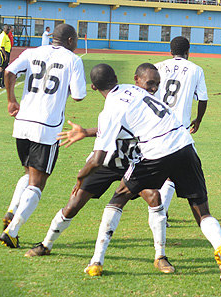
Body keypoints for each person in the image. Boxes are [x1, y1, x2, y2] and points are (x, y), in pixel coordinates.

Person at [72, 63, 221, 290]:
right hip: (185, 144)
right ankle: (220, 249)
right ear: (118, 78)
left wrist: (80, 178)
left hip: (157, 151)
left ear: (93, 87)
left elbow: (98, 159)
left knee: (118, 197)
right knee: (202, 211)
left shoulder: (109, 108)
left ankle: (96, 261)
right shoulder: (135, 89)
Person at [24, 63, 175, 274]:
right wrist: (86, 132)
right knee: (73, 205)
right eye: (150, 83)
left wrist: (85, 142)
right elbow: (111, 130)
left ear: (93, 87)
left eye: (156, 84)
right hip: (107, 162)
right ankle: (46, 244)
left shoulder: (135, 96)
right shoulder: (116, 104)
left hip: (132, 162)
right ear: (131, 78)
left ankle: (160, 256)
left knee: (154, 198)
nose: (153, 89)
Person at [0, 23, 87, 249]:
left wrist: (11, 100)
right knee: (38, 183)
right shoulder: (73, 60)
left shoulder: (32, 52)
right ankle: (13, 230)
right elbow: (78, 96)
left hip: (23, 123)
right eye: (75, 40)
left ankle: (11, 210)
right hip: (47, 127)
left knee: (28, 173)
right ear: (69, 41)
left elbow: (9, 71)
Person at [154, 36, 208, 222]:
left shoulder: (158, 66)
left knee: (164, 169)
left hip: (156, 126)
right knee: (178, 172)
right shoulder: (196, 69)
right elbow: (203, 99)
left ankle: (160, 210)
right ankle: (160, 211)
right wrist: (199, 120)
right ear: (188, 51)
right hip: (180, 129)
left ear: (170, 51)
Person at [0, 25, 11, 89]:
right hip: (2, 53)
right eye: (7, 29)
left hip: (6, 53)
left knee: (5, 68)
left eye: (9, 29)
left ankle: (3, 83)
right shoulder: (3, 36)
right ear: (4, 29)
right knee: (1, 68)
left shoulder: (6, 35)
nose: (8, 31)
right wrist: (5, 55)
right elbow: (2, 46)